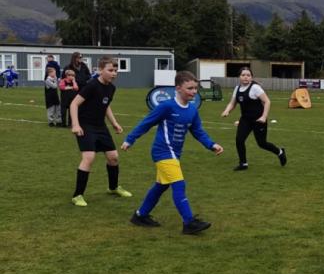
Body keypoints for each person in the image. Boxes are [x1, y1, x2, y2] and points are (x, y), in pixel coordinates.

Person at [123, 71, 224, 234]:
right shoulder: (167, 106)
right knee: (179, 184)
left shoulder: (192, 110)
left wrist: (211, 145)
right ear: (178, 88)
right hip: (162, 151)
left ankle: (140, 215)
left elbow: (198, 131)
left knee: (161, 186)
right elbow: (146, 123)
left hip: (175, 153)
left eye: (195, 88)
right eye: (189, 88)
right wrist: (130, 139)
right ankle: (189, 222)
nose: (194, 92)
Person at [69, 56, 131, 207]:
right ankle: (77, 195)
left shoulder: (111, 88)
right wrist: (76, 125)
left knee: (113, 157)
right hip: (85, 125)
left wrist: (114, 123)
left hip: (100, 126)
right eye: (110, 70)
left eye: (116, 70)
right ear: (100, 70)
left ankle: (113, 187)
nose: (114, 73)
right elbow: (74, 104)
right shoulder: (92, 85)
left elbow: (105, 105)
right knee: (89, 158)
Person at [220, 67, 286, 171]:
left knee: (262, 143)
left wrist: (264, 117)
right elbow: (232, 103)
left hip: (258, 120)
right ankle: (243, 164)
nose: (245, 77)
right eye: (243, 75)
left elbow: (267, 102)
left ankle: (280, 152)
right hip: (245, 120)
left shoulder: (255, 88)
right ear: (239, 77)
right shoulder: (237, 88)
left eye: (248, 75)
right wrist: (227, 111)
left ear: (251, 77)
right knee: (239, 140)